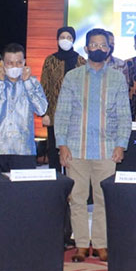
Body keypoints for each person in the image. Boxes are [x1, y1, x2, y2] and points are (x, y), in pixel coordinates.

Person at [56, 28, 132, 263]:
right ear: (86, 47)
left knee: (103, 199)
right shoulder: (73, 77)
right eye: (94, 44)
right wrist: (62, 145)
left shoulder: (118, 78)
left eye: (103, 45)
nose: (99, 48)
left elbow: (124, 115)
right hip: (75, 148)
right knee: (77, 199)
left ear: (109, 49)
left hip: (106, 149)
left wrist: (121, 144)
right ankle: (81, 245)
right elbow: (62, 113)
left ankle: (100, 244)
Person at [0, 43, 49, 174]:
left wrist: (27, 83)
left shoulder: (32, 83)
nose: (15, 67)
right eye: (10, 63)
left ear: (24, 63)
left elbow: (41, 110)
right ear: (2, 63)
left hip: (24, 150)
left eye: (19, 63)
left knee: (23, 188)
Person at [40, 26, 86, 174]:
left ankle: (71, 182)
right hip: (54, 114)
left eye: (69, 38)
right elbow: (44, 87)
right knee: (53, 151)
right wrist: (45, 113)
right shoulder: (50, 60)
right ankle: (56, 182)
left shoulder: (81, 61)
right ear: (57, 39)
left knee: (71, 151)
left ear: (73, 40)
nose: (65, 40)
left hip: (75, 116)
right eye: (62, 37)